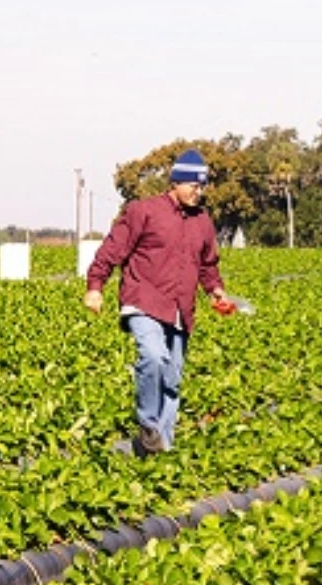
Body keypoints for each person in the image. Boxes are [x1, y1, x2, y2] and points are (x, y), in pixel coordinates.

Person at [84, 148, 236, 456]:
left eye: (203, 186)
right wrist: (95, 285)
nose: (199, 191)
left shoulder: (203, 222)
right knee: (153, 356)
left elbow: (208, 265)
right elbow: (112, 249)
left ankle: (160, 450)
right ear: (177, 182)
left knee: (173, 379)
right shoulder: (144, 212)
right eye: (194, 185)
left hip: (181, 307)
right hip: (144, 300)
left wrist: (215, 290)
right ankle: (149, 425)